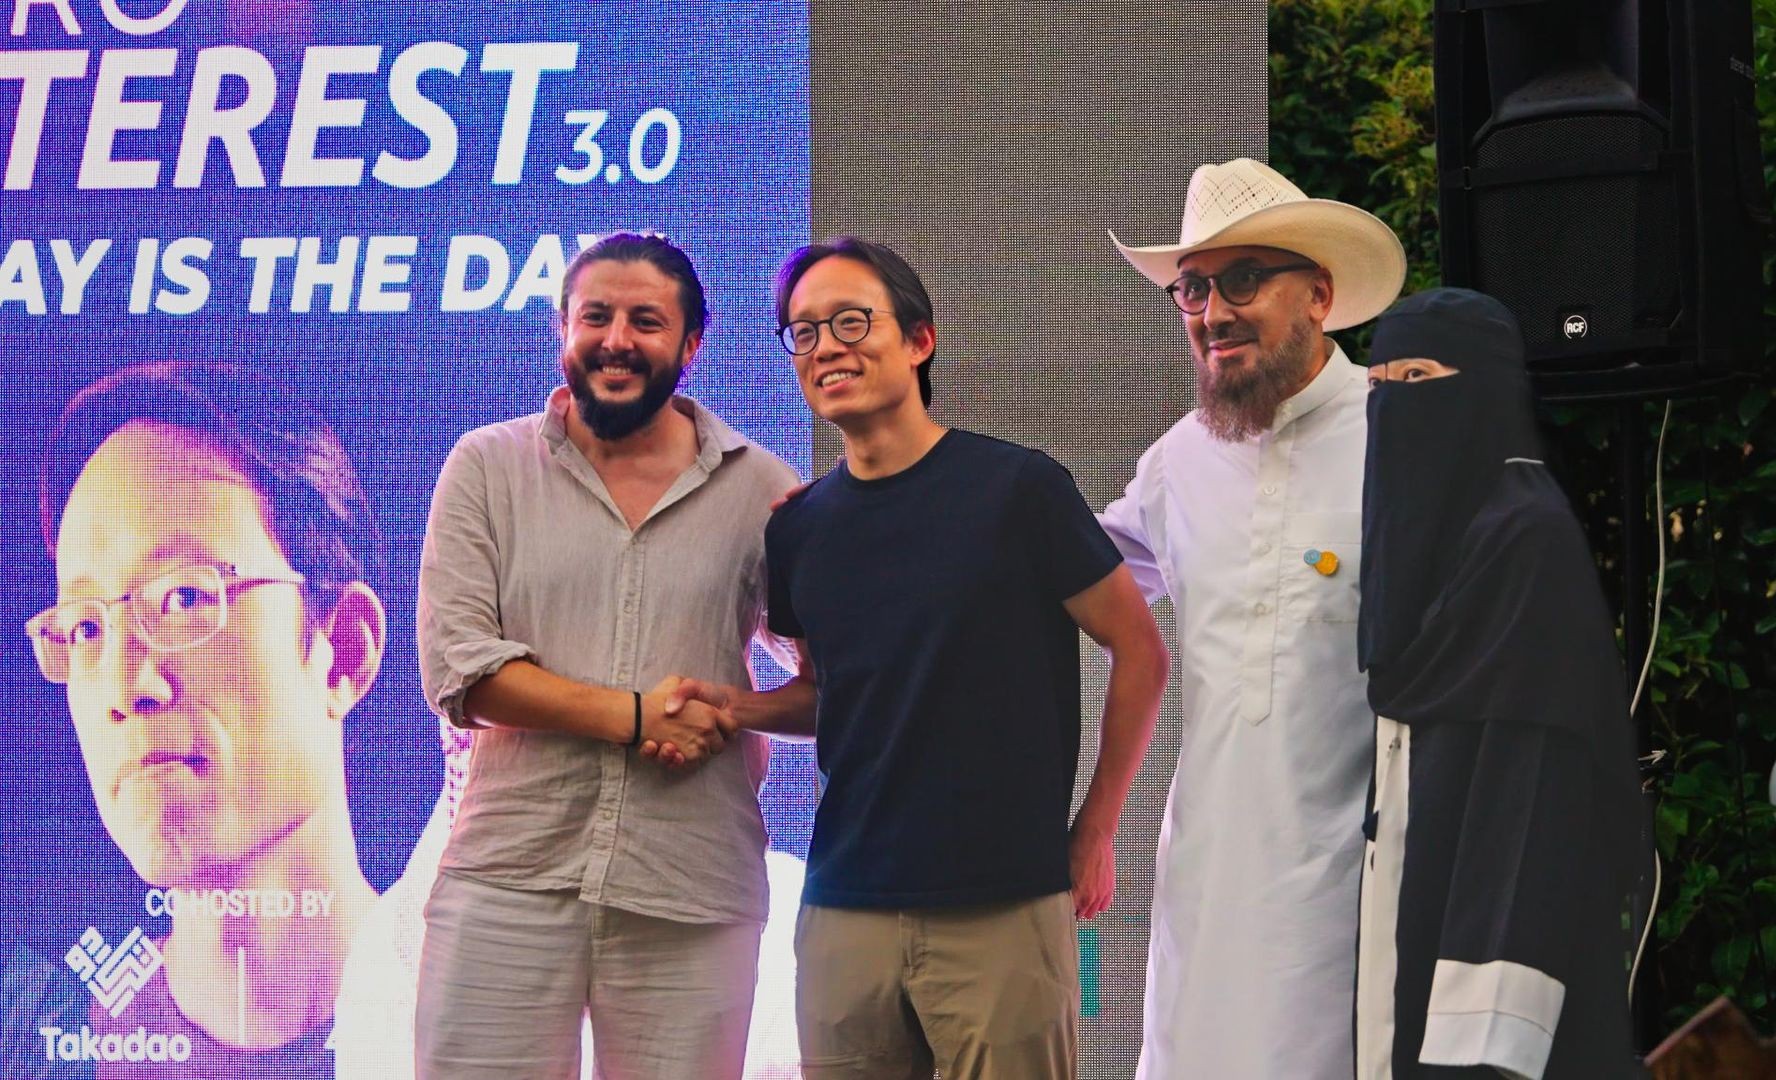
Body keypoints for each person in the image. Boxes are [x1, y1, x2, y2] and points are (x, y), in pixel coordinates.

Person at [664, 237, 1168, 1079]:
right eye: (803, 332)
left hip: (1002, 897)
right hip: (844, 904)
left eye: (852, 321)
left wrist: (1097, 829)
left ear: (919, 341)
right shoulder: (799, 526)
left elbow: (1140, 650)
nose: (826, 346)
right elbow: (833, 694)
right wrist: (737, 707)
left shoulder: (1019, 489)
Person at [413, 231, 799, 1079]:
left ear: (691, 345)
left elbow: (837, 683)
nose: (617, 338)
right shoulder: (487, 467)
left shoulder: (764, 490)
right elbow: (460, 668)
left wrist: (733, 710)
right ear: (564, 328)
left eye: (646, 321)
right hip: (510, 880)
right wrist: (634, 717)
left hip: (691, 889)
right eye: (597, 315)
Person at [1100, 157, 1407, 1078]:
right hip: (1207, 888)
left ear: (1318, 294)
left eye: (1241, 280)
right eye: (1192, 290)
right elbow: (1064, 574)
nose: (1211, 313)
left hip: (1358, 894)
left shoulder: (1402, 442)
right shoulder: (1176, 462)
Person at [19, 361, 389, 1075]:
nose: (125, 686)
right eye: (87, 629)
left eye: (184, 597)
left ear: (342, 652)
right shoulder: (40, 1043)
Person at [1354, 288, 1650, 1079]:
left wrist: (1482, 1045)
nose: (1391, 404)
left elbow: (1531, 800)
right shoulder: (1440, 535)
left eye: (1414, 378)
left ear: (1479, 390)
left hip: (1501, 972)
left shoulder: (1526, 538)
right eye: (1376, 384)